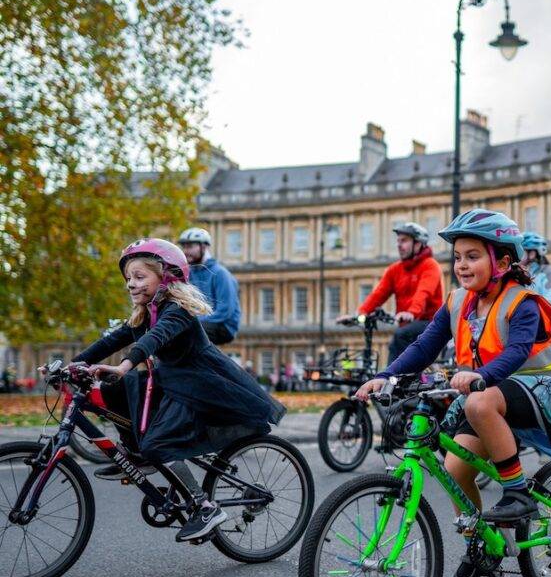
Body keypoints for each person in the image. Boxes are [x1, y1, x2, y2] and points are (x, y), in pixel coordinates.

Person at [354, 209, 551, 577]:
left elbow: (518, 350)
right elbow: (423, 346)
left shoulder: (524, 300)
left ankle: (517, 493)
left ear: (501, 262)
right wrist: (386, 376)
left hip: (541, 391)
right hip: (488, 395)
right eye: (458, 257)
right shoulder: (457, 302)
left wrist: (481, 376)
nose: (462, 265)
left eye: (473, 256)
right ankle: (482, 545)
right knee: (455, 468)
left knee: (478, 404)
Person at [72, 239, 286, 541]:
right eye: (128, 278)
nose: (131, 284)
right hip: (172, 380)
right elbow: (112, 341)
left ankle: (205, 506)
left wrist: (124, 365)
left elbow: (155, 339)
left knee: (158, 444)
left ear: (166, 276)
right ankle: (136, 452)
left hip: (200, 385)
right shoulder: (146, 312)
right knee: (117, 389)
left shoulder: (178, 310)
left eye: (139, 276)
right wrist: (71, 365)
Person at [337, 222, 444, 363]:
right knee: (400, 339)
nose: (399, 245)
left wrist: (412, 312)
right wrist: (359, 314)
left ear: (418, 244)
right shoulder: (395, 270)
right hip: (408, 324)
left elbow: (424, 293)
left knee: (400, 337)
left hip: (430, 323)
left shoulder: (430, 266)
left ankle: (388, 379)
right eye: (398, 241)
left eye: (404, 241)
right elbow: (378, 294)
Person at [177, 228, 241, 346]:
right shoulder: (189, 273)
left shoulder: (220, 273)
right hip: (200, 321)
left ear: (204, 247)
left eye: (190, 246)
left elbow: (225, 311)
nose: (185, 251)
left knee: (188, 334)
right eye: (184, 247)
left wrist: (193, 322)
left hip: (223, 325)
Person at [521, 231, 551, 361]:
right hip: (527, 329)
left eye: (520, 252)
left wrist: (527, 310)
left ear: (532, 254)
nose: (516, 256)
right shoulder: (519, 275)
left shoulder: (549, 274)